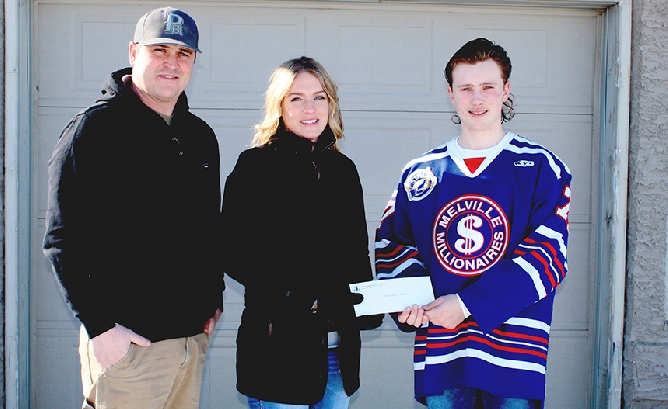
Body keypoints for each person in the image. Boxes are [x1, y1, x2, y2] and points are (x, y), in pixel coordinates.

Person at [374, 38, 572, 408]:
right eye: (466, 88)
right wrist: (409, 301)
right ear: (450, 93)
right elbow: (392, 244)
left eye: (487, 87)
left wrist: (466, 304)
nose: (476, 99)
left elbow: (548, 256)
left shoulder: (542, 167)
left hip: (513, 357)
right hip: (443, 353)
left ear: (506, 90)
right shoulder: (420, 172)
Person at [42, 7, 224, 409]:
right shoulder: (94, 129)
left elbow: (209, 229)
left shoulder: (200, 137)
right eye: (159, 49)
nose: (171, 63)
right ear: (133, 52)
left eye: (183, 53)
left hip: (189, 343)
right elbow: (61, 241)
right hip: (129, 345)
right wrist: (101, 328)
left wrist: (214, 296)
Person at [222, 56, 383, 409]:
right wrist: (296, 295)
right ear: (279, 106)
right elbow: (230, 250)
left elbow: (356, 252)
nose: (310, 108)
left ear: (331, 104)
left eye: (319, 97)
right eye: (296, 98)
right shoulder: (254, 167)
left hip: (336, 355)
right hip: (277, 352)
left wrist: (369, 305)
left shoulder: (343, 170)